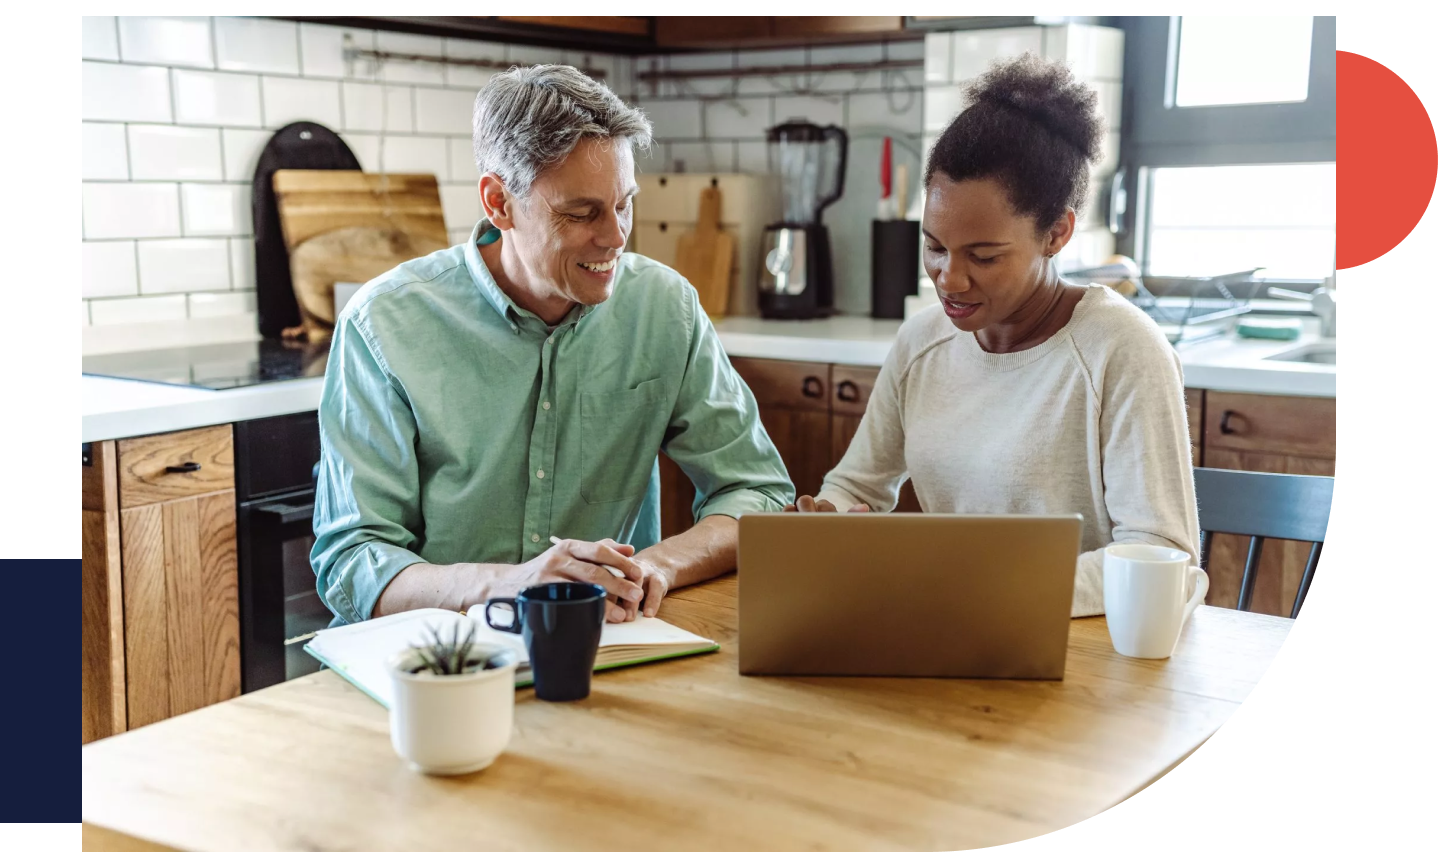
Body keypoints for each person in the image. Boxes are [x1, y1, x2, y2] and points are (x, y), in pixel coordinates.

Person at [312, 65, 793, 627]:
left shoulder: (665, 310)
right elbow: (352, 562)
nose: (615, 237)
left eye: (623, 204)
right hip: (427, 666)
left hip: (602, 649)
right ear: (498, 202)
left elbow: (758, 493)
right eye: (581, 212)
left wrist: (654, 568)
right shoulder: (385, 323)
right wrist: (507, 585)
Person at [789, 53, 1204, 616]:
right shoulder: (922, 342)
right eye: (934, 246)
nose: (949, 279)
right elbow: (857, 487)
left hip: (1085, 654)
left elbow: (1161, 555)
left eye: (983, 256)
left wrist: (985, 584)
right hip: (955, 629)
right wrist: (828, 521)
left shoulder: (1122, 350)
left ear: (1056, 232)